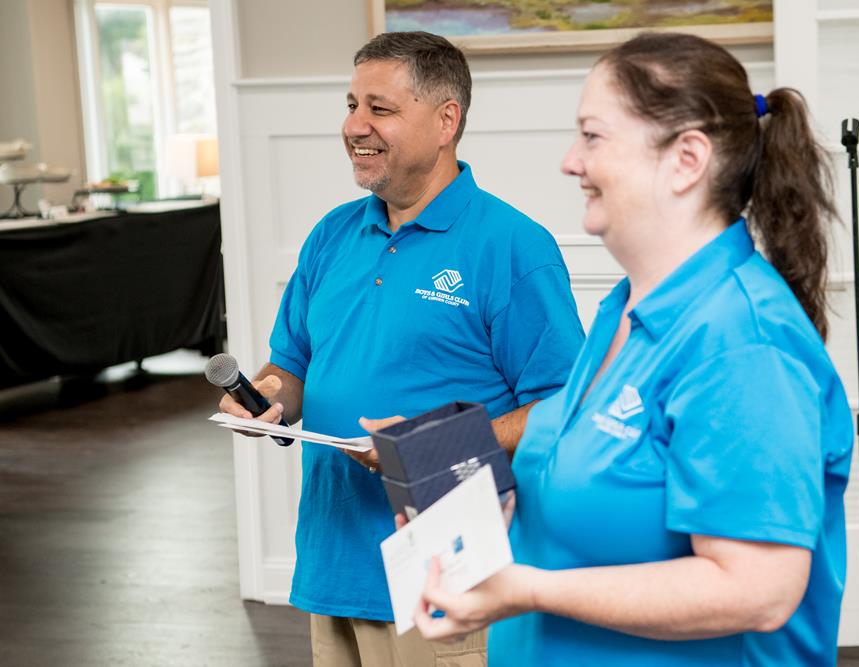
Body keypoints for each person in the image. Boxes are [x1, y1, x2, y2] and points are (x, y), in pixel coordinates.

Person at [409, 32, 855, 666]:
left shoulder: (742, 344)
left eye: (593, 136)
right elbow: (582, 491)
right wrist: (470, 539)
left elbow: (757, 591)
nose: (571, 161)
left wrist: (526, 590)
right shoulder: (621, 313)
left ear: (686, 159)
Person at [217, 31, 584, 667]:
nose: (354, 126)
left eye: (379, 109)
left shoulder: (513, 247)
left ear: (447, 120)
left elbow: (566, 407)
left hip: (444, 579)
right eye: (351, 104)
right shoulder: (332, 234)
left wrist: (427, 448)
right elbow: (292, 365)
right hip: (332, 567)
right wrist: (267, 398)